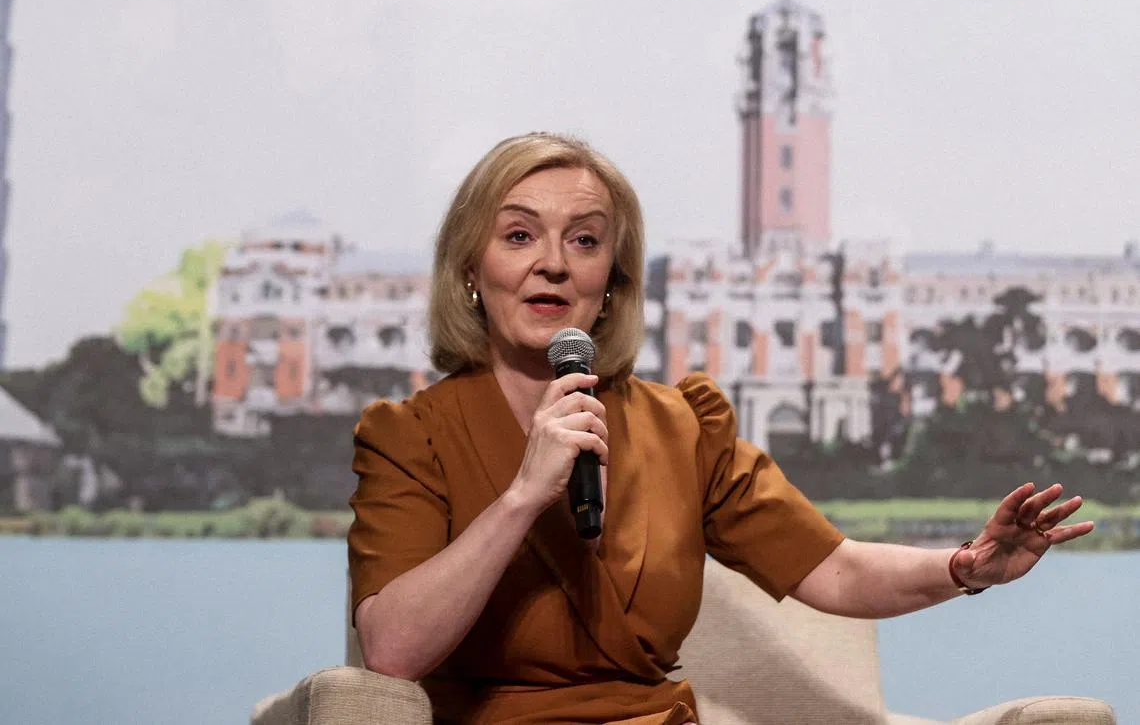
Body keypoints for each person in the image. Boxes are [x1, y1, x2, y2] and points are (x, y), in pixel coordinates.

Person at [348, 133, 1093, 725]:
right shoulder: (410, 437)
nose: (553, 265)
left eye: (584, 241)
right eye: (518, 236)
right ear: (470, 269)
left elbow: (833, 570)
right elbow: (392, 651)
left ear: (613, 282)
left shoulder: (682, 428)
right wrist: (520, 499)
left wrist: (967, 567)